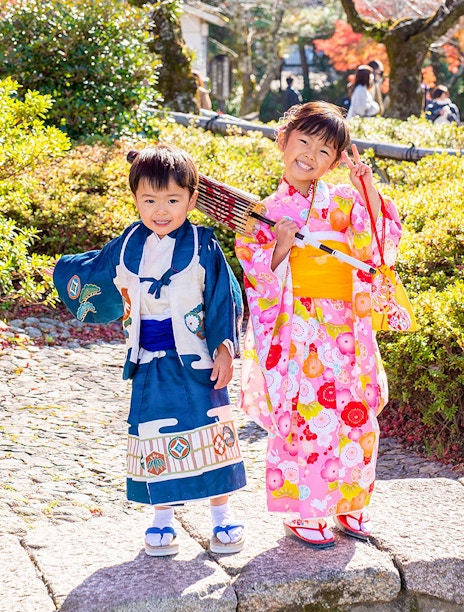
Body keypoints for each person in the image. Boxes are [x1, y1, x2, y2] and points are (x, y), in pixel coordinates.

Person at [49, 144, 246, 557]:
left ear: (192, 199)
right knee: (155, 437)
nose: (162, 210)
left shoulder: (203, 245)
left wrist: (225, 348)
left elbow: (222, 299)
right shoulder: (126, 248)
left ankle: (221, 516)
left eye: (173, 200)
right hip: (151, 361)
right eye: (150, 200)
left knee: (212, 434)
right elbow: (94, 278)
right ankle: (162, 520)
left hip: (198, 358)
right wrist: (67, 271)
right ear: (135, 198)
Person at [235, 101, 403, 548]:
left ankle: (350, 502)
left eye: (325, 150)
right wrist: (283, 244)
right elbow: (260, 278)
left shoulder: (344, 201)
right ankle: (302, 510)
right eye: (303, 140)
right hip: (297, 326)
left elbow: (379, 247)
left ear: (335, 161)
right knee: (304, 414)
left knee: (355, 412)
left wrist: (365, 188)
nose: (310, 154)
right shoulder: (263, 211)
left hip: (346, 324)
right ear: (283, 140)